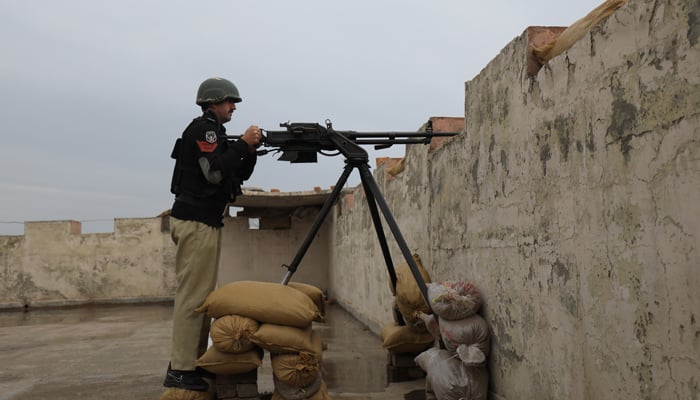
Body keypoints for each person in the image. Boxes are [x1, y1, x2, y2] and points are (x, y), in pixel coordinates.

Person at [164, 77, 261, 392]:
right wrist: (242, 144)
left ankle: (189, 363)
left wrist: (250, 151)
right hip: (195, 222)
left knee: (200, 297)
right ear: (213, 102)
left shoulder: (215, 134)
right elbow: (214, 172)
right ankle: (180, 369)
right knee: (193, 298)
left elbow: (234, 172)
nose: (233, 107)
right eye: (230, 102)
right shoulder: (204, 130)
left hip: (204, 221)